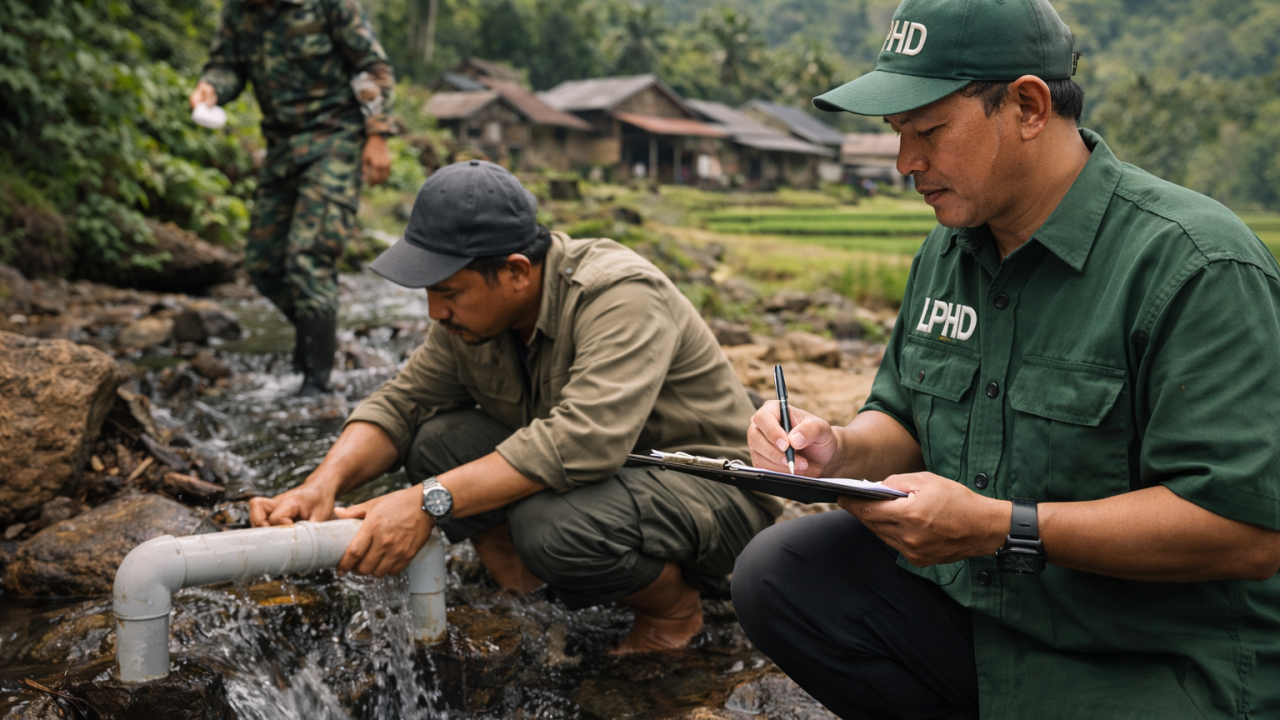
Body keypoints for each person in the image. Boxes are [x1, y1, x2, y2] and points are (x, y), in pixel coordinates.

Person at [731, 0, 1280, 718]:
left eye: (928, 131)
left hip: (1153, 660)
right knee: (782, 572)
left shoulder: (1195, 265)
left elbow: (1244, 532)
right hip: (990, 618)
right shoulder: (951, 245)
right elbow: (901, 413)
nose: (907, 164)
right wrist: (835, 451)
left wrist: (1002, 527)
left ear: (1027, 105)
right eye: (900, 135)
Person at [249, 160, 782, 654]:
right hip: (614, 485)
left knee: (550, 526)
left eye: (449, 291)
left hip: (716, 496)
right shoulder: (474, 320)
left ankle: (672, 613)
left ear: (517, 272)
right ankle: (524, 594)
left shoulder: (618, 294)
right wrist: (323, 484)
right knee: (438, 440)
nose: (436, 311)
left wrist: (426, 501)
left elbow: (583, 440)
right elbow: (403, 402)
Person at [189, 0, 398, 395]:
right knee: (263, 264)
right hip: (281, 146)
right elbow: (228, 64)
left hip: (335, 139)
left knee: (309, 254)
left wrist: (378, 133)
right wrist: (212, 86)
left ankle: (316, 384)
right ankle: (316, 341)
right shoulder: (239, 10)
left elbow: (369, 65)